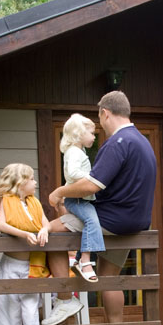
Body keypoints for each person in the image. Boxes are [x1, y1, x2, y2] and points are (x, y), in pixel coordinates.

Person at [44, 91, 156, 325]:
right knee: (109, 278)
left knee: (52, 231)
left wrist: (59, 192)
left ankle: (64, 299)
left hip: (110, 219)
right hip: (133, 223)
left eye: (99, 118)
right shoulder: (143, 142)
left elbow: (92, 184)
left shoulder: (118, 142)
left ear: (105, 113)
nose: (99, 124)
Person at [0, 163, 50, 325]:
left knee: (31, 313)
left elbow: (44, 221)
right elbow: (1, 224)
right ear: (20, 182)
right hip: (11, 266)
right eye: (32, 179)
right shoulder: (6, 200)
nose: (35, 183)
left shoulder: (34, 203)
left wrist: (44, 230)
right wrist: (25, 233)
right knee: (12, 313)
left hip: (32, 266)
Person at [48, 113, 105, 282]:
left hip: (82, 199)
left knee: (89, 223)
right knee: (92, 222)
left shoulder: (79, 151)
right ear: (79, 133)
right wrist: (92, 178)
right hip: (77, 199)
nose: (94, 137)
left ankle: (80, 257)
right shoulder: (74, 152)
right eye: (91, 133)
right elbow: (72, 173)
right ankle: (85, 261)